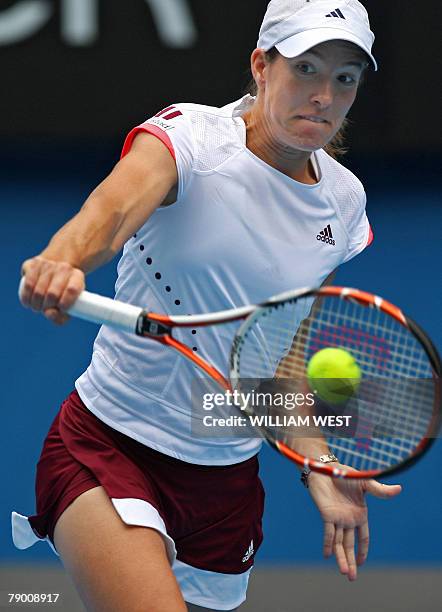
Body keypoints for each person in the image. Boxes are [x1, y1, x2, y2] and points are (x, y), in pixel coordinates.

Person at [14, 1, 402, 610]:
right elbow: (111, 211)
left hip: (225, 482)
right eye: (305, 69)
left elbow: (276, 352)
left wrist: (317, 462)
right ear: (261, 66)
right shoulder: (191, 142)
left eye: (345, 78)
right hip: (111, 446)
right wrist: (65, 259)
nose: (324, 95)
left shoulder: (343, 202)